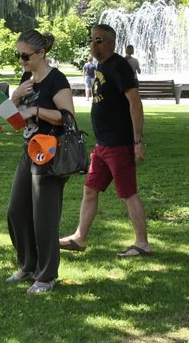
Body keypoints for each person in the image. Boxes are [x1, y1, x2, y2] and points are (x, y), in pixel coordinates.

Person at [58, 23, 150, 258]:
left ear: (111, 43)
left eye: (99, 40)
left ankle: (142, 243)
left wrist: (137, 141)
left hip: (119, 143)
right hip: (102, 145)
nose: (93, 43)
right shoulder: (101, 66)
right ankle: (79, 238)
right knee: (90, 190)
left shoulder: (119, 66)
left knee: (128, 193)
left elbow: (135, 103)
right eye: (92, 39)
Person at [5, 29, 76, 294]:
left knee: (44, 216)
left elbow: (68, 117)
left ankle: (46, 276)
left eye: (25, 55)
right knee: (16, 211)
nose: (21, 60)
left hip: (51, 153)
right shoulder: (26, 78)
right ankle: (27, 265)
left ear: (41, 53)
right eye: (18, 55)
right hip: (29, 150)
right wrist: (13, 99)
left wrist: (35, 110)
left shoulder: (56, 80)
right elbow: (13, 122)